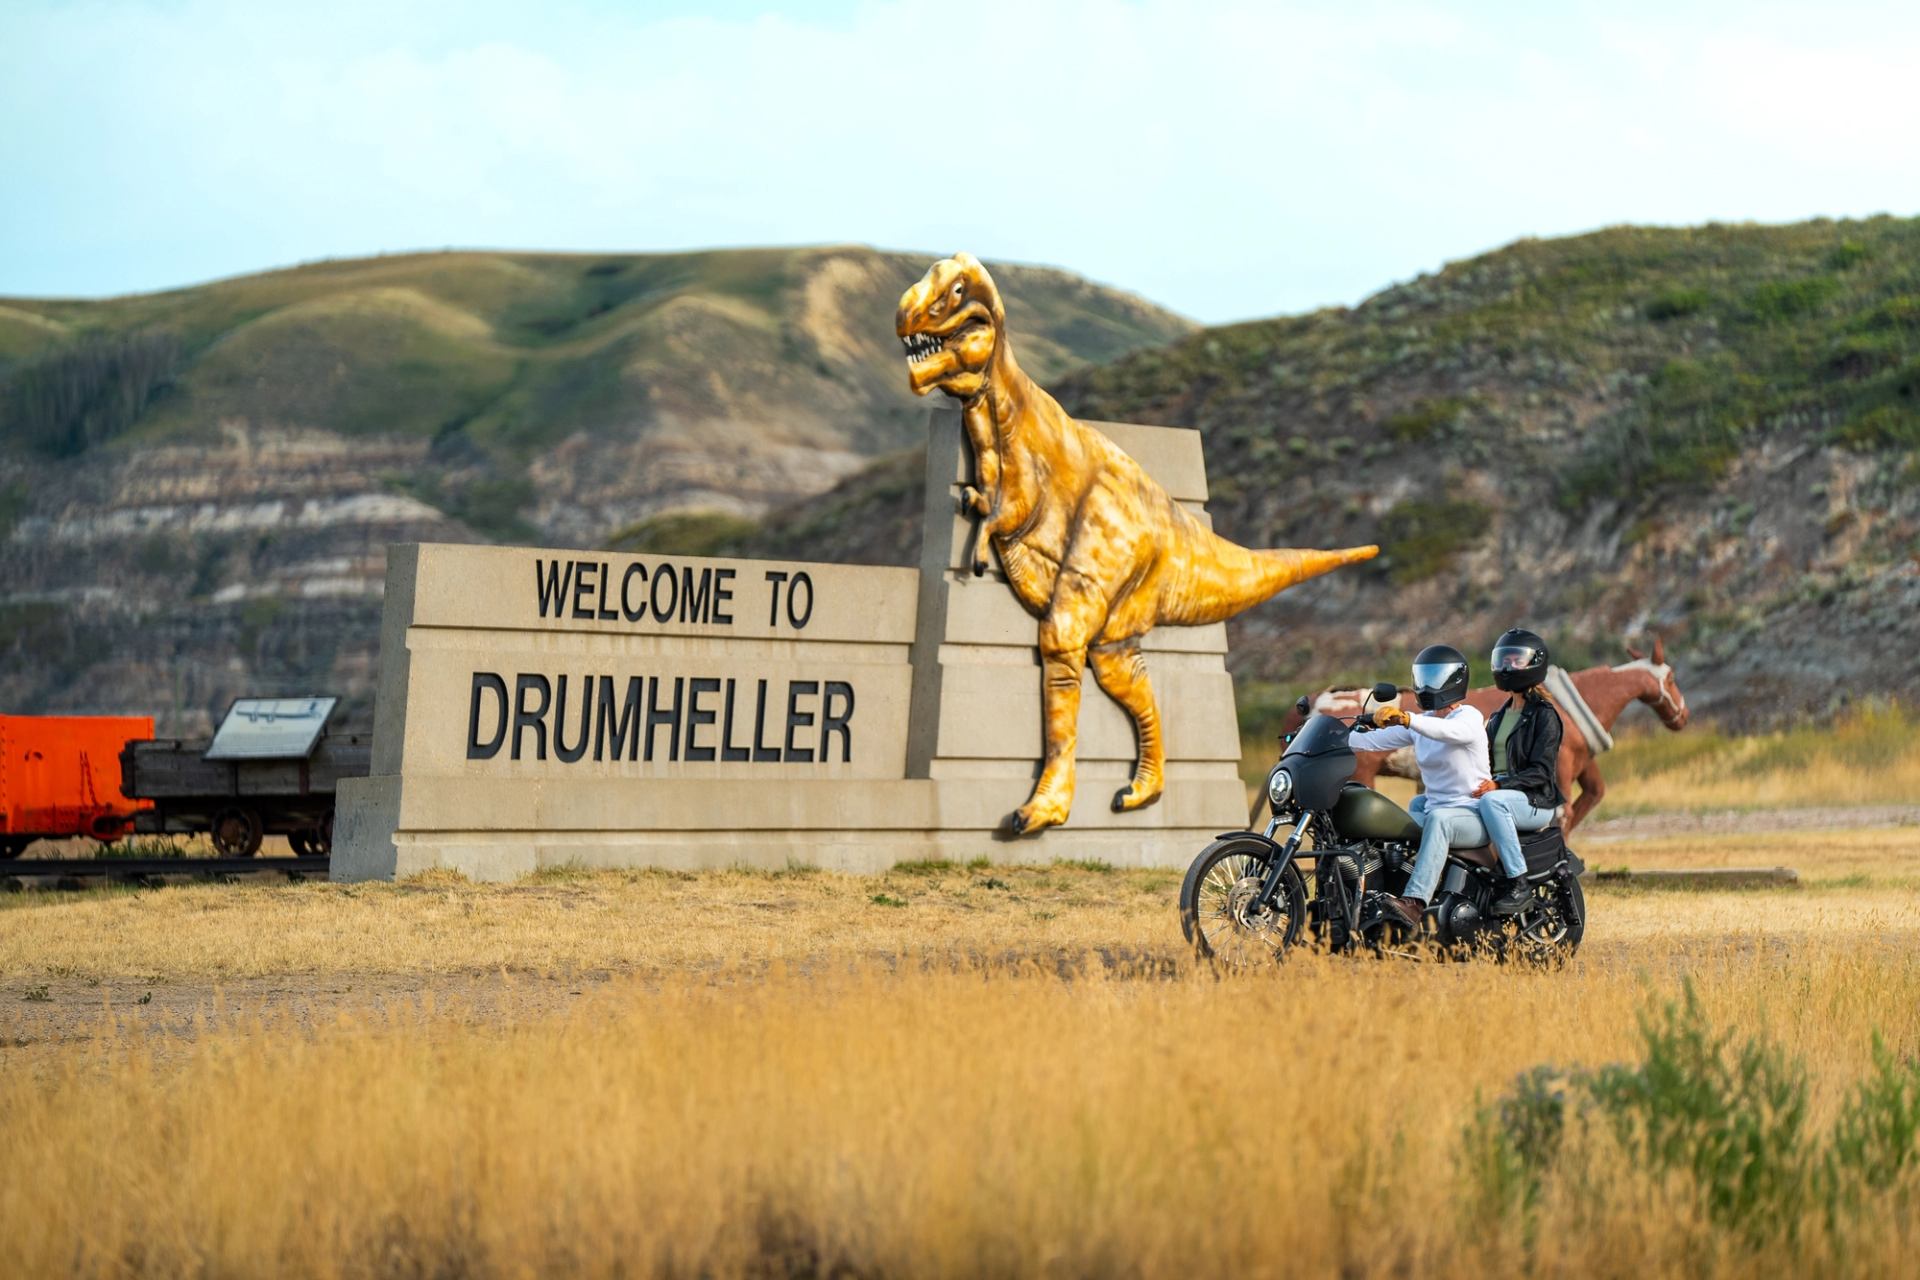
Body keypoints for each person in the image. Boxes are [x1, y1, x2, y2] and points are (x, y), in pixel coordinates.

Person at [1349, 643, 1494, 929]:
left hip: (1473, 815)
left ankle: (1415, 903)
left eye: (1435, 677)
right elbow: (1373, 741)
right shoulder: (1424, 722)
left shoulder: (1468, 718)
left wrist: (1407, 719)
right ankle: (1381, 894)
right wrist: (1332, 736)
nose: (1428, 685)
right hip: (1436, 811)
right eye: (1424, 677)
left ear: (1454, 680)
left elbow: (1448, 732)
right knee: (1390, 827)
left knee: (1439, 819)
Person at [1475, 628, 1566, 916]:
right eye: (1504, 660)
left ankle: (1519, 883)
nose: (1508, 666)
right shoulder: (1499, 717)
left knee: (1493, 802)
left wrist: (1500, 785)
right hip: (1501, 795)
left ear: (1534, 663)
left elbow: (1541, 771)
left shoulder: (1544, 715)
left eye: (1516, 660)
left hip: (1534, 800)